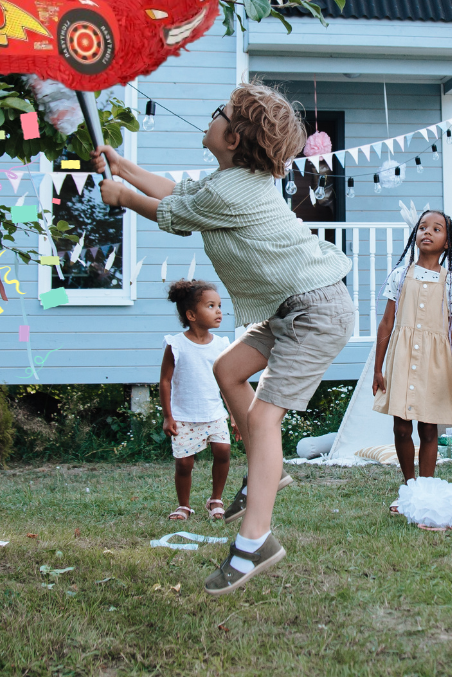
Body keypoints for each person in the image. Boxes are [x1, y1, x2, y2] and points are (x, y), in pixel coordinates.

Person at [95, 79, 354, 594]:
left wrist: (123, 196)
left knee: (263, 421)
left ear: (233, 138)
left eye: (220, 112)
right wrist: (125, 168)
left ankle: (255, 542)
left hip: (316, 310)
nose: (211, 117)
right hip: (293, 308)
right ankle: (268, 469)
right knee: (228, 371)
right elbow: (180, 195)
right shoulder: (225, 184)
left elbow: (172, 216)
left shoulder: (228, 191)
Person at [373, 209, 452, 518]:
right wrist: (378, 367)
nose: (427, 232)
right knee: (401, 426)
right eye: (422, 227)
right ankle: (409, 488)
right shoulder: (400, 276)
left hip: (436, 363)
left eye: (436, 229)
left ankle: (425, 492)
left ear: (448, 243)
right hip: (402, 359)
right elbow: (387, 323)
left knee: (429, 427)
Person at [160, 279, 234, 522]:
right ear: (191, 314)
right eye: (211, 306)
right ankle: (184, 506)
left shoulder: (222, 345)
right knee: (184, 464)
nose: (219, 311)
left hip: (215, 412)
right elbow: (165, 381)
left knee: (223, 451)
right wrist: (168, 416)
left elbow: (228, 382)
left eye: (219, 305)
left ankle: (216, 499)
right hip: (184, 416)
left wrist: (233, 414)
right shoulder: (176, 344)